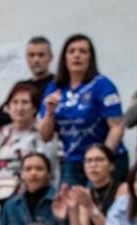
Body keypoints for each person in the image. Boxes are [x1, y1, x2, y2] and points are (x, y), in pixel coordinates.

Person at [38, 34, 126, 186]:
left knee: (96, 204)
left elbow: (117, 127)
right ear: (64, 58)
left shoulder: (102, 85)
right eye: (71, 51)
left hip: (105, 159)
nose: (77, 55)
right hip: (73, 161)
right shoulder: (54, 88)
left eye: (83, 51)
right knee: (67, 204)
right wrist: (50, 112)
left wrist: (102, 158)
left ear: (90, 58)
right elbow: (45, 136)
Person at [0, 82, 59, 201]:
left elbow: (48, 172)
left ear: (35, 108)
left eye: (25, 102)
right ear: (8, 107)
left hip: (24, 195)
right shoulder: (0, 133)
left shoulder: (43, 132)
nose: (19, 108)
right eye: (15, 102)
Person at [53, 143, 121, 225]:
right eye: (88, 161)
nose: (93, 165)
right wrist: (73, 210)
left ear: (111, 166)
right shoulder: (85, 194)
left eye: (99, 160)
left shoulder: (122, 189)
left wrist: (90, 207)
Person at [0, 37, 54, 129]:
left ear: (50, 57)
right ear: (26, 58)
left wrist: (18, 114)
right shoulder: (21, 87)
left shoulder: (58, 84)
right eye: (31, 55)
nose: (36, 60)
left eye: (41, 55)